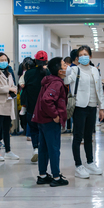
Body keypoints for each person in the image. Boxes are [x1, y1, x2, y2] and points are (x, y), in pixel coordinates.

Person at [64, 45, 104, 179]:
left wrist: (102, 108)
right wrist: (68, 69)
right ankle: (78, 165)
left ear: (90, 56)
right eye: (80, 55)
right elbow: (66, 81)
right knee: (77, 136)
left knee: (89, 136)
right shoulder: (74, 70)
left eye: (85, 54)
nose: (83, 57)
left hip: (92, 106)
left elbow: (99, 89)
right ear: (77, 58)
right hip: (79, 106)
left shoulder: (94, 70)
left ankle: (90, 162)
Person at [32, 57, 69, 187]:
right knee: (53, 148)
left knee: (43, 148)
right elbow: (47, 100)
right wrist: (55, 115)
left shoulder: (49, 80)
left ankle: (42, 175)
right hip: (49, 121)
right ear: (59, 71)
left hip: (42, 119)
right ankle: (56, 177)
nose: (67, 67)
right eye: (64, 65)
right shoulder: (57, 83)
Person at [0, 52, 19, 160]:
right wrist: (9, 89)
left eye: (5, 60)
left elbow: (13, 85)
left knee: (7, 129)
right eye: (1, 60)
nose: (4, 62)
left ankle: (8, 151)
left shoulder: (9, 74)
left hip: (8, 104)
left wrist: (14, 89)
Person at [22, 51, 50, 162]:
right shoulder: (47, 72)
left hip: (31, 106)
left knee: (33, 129)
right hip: (44, 107)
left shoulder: (28, 73)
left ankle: (36, 148)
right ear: (46, 61)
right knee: (43, 130)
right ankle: (42, 149)